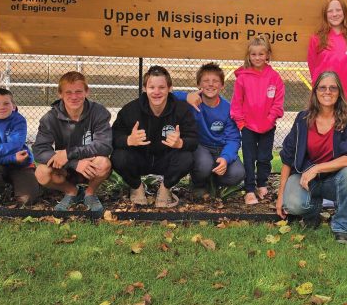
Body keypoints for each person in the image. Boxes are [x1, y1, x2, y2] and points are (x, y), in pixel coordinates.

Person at [276, 71, 347, 244]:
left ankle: (342, 226)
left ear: (339, 91)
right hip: (306, 179)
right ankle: (313, 210)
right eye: (322, 87)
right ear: (315, 91)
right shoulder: (302, 119)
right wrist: (280, 196)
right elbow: (287, 158)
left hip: (335, 179)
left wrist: (317, 168)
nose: (328, 92)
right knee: (293, 204)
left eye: (333, 88)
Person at [111, 66, 198, 208]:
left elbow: (194, 140)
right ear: (144, 88)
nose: (156, 92)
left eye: (162, 87)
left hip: (166, 159)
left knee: (186, 158)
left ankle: (165, 189)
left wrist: (181, 143)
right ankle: (137, 188)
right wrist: (128, 140)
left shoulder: (181, 109)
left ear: (170, 88)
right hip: (140, 158)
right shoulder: (130, 110)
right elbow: (113, 137)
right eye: (152, 87)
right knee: (119, 157)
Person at [33, 72, 113, 213]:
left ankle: (90, 193)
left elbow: (104, 146)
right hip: (64, 168)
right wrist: (74, 163)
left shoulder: (99, 112)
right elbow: (40, 150)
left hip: (90, 166)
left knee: (104, 163)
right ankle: (72, 192)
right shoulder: (50, 118)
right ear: (60, 94)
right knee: (41, 172)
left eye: (78, 91)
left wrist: (69, 153)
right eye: (68, 92)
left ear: (86, 92)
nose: (74, 96)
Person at [173, 63, 244, 198]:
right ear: (199, 84)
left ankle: (213, 180)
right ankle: (198, 183)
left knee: (238, 173)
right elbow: (167, 96)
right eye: (206, 81)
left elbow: (233, 139)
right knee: (204, 164)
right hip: (201, 147)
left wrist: (225, 158)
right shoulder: (191, 103)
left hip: (220, 149)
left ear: (222, 85)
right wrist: (186, 96)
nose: (210, 84)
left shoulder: (228, 108)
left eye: (215, 81)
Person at [230, 36, 285, 205]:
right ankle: (249, 189)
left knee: (264, 157)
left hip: (268, 126)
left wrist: (270, 119)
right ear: (249, 56)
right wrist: (241, 123)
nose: (257, 57)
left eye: (261, 54)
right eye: (253, 54)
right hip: (248, 126)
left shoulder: (275, 77)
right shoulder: (242, 78)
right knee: (249, 158)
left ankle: (262, 184)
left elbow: (278, 101)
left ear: (267, 55)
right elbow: (237, 103)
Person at [307, 0, 347, 105]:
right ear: (325, 15)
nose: (334, 14)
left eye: (338, 10)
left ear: (344, 12)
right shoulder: (316, 38)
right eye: (330, 11)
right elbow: (312, 67)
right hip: (324, 97)